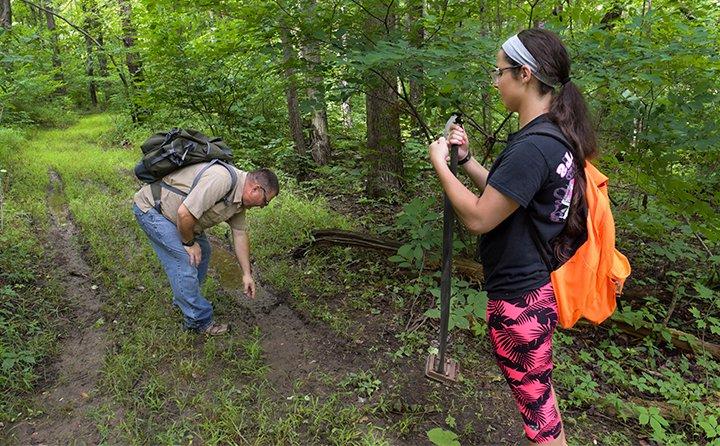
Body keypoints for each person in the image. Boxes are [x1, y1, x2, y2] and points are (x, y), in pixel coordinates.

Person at [429, 28, 596, 445]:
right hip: (535, 293)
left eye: (498, 71)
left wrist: (441, 167)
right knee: (539, 396)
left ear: (524, 74)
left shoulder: (533, 146)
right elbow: (511, 196)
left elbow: (481, 217)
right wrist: (466, 161)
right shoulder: (553, 138)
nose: (495, 80)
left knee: (539, 418)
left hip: (519, 304)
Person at [132, 162, 279, 335]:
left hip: (181, 219)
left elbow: (239, 234)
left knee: (204, 252)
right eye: (265, 201)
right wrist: (189, 244)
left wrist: (247, 274)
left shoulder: (239, 201)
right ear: (256, 189)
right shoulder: (221, 179)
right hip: (154, 210)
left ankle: (185, 299)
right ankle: (199, 321)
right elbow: (184, 214)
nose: (262, 206)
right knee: (185, 260)